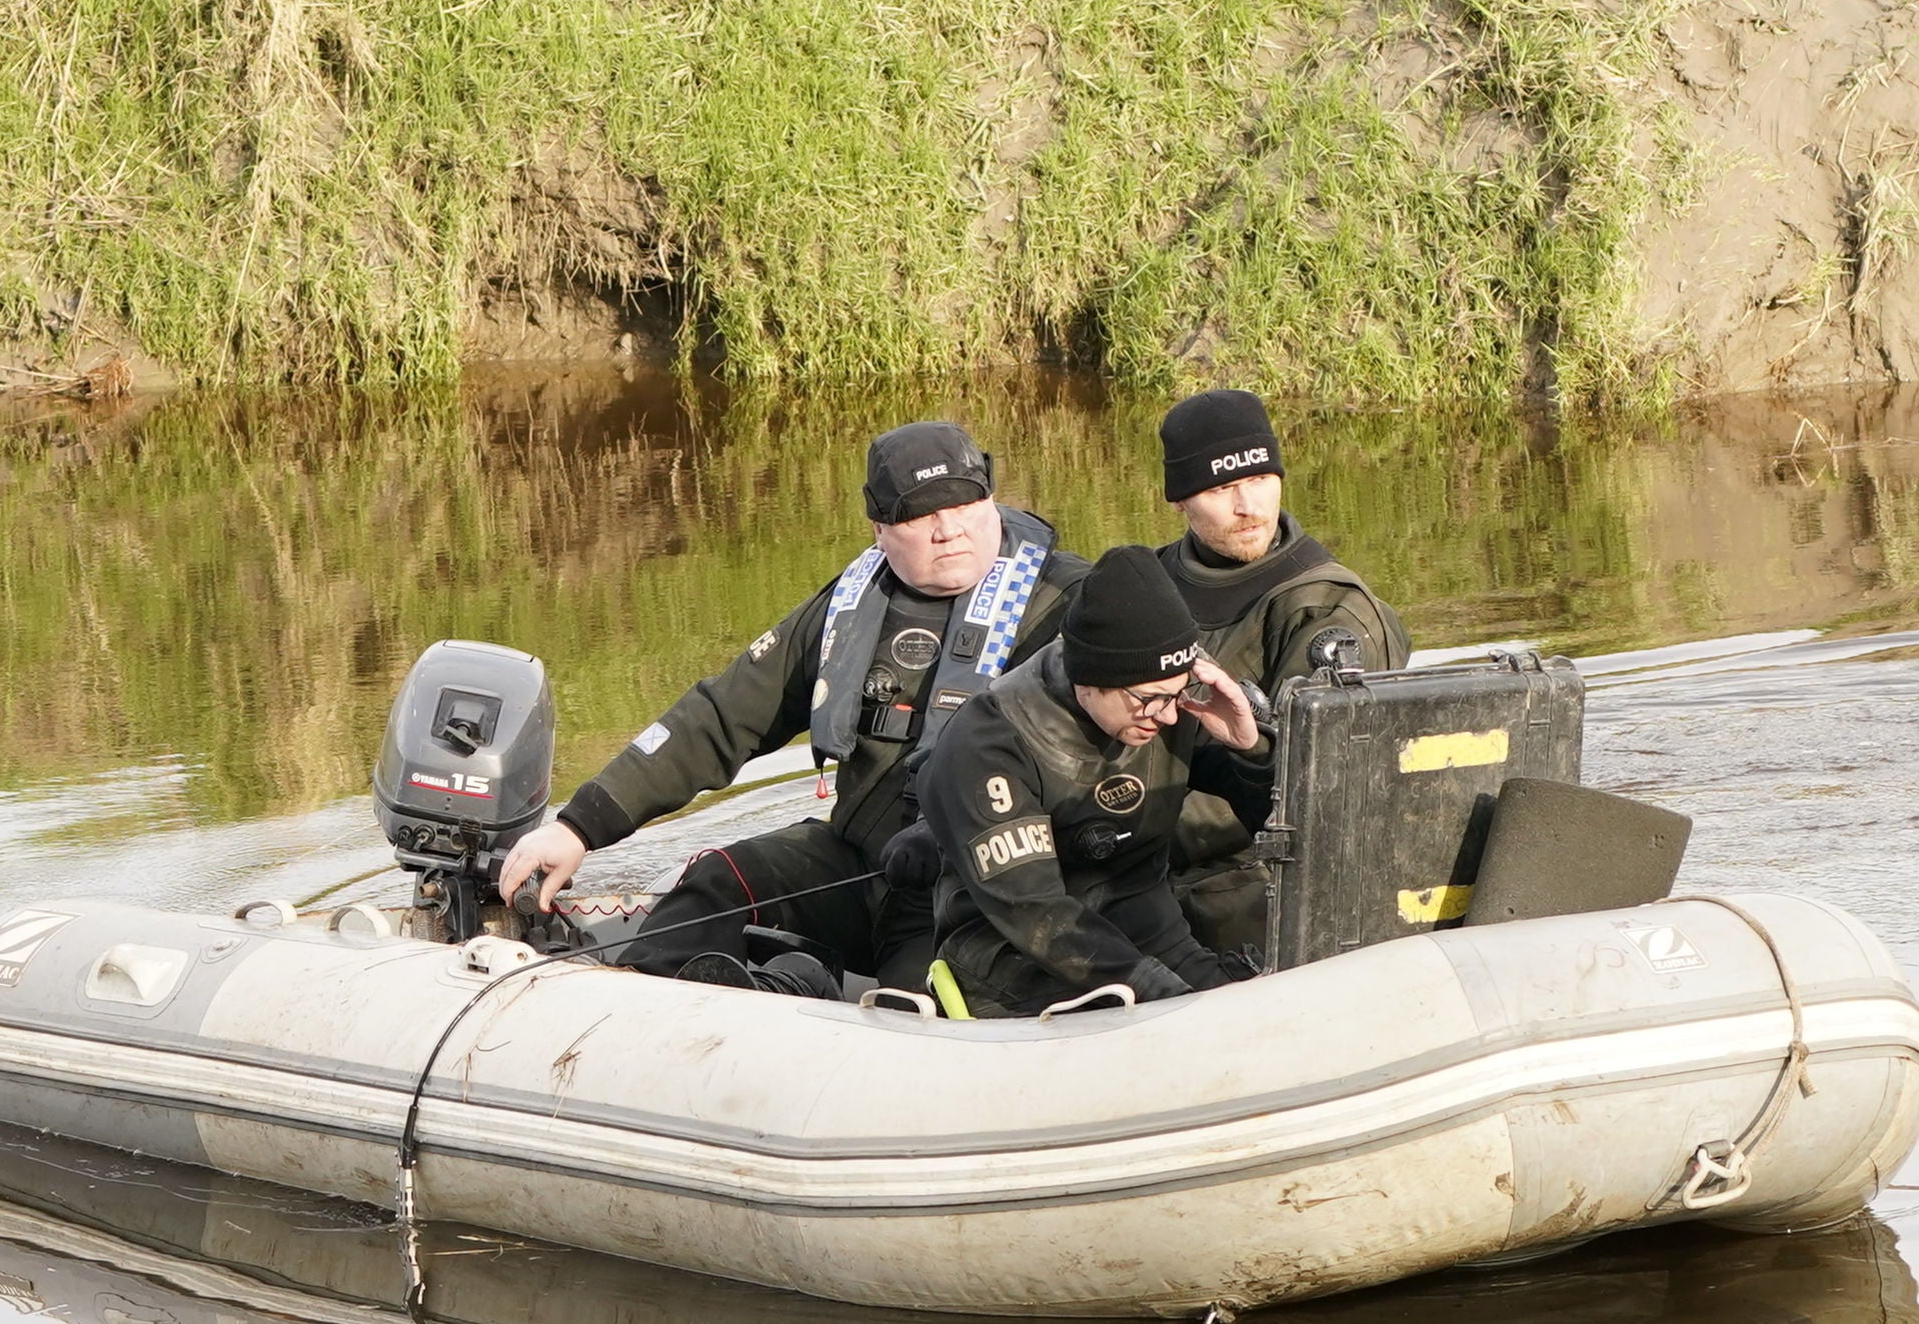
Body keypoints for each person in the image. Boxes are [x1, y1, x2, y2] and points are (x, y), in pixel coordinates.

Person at [494, 421, 1088, 989]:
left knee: (918, 1000)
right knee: (713, 883)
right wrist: (579, 826)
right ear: (879, 528)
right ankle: (660, 1017)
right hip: (859, 864)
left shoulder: (1074, 605)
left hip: (975, 885)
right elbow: (722, 716)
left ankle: (798, 994)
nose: (949, 529)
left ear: (990, 499)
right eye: (923, 514)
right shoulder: (852, 606)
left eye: (964, 505)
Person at [906, 545, 1274, 1016]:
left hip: (1150, 931)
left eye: (1180, 693)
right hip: (1012, 964)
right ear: (1089, 679)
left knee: (1250, 1016)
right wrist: (1158, 992)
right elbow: (1034, 911)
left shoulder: (1170, 705)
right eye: (1149, 699)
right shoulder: (990, 742)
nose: (1164, 716)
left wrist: (1251, 748)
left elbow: (1286, 827)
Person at [1149, 388, 1411, 942]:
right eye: (1222, 488)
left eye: (1261, 480)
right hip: (1134, 855)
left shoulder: (1328, 609)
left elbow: (1332, 805)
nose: (1249, 507)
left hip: (1253, 880)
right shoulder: (1143, 586)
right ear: (1179, 500)